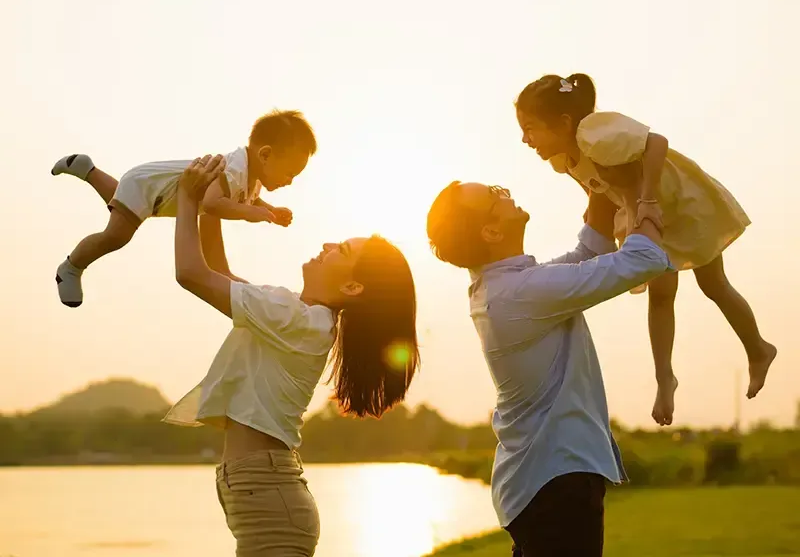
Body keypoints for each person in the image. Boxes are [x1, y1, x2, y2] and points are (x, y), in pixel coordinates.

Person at [163, 154, 420, 556]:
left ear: (353, 288)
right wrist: (213, 203)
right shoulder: (297, 316)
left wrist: (187, 198)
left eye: (341, 250)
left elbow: (192, 274)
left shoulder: (297, 320)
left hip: (268, 495)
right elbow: (218, 272)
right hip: (263, 490)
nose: (327, 245)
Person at [515, 73, 776, 426]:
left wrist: (649, 198)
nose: (525, 139)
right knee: (661, 294)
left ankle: (758, 350)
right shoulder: (564, 159)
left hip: (677, 199)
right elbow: (597, 184)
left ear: (562, 123)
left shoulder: (593, 132)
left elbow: (656, 143)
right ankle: (664, 378)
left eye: (530, 129)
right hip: (641, 210)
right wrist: (597, 208)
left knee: (714, 284)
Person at [426, 181, 670, 556]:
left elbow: (589, 254)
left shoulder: (507, 286)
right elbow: (645, 260)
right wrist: (643, 198)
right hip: (556, 483)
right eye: (494, 195)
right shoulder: (519, 292)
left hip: (542, 481)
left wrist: (599, 184)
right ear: (491, 231)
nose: (504, 192)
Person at [51, 109, 315, 308]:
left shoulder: (251, 177)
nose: (289, 181)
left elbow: (247, 200)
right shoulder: (234, 168)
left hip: (152, 191)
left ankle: (87, 169)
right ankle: (71, 267)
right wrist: (252, 215)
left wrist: (270, 210)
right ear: (265, 155)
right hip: (147, 185)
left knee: (121, 202)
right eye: (289, 173)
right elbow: (212, 203)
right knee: (117, 235)